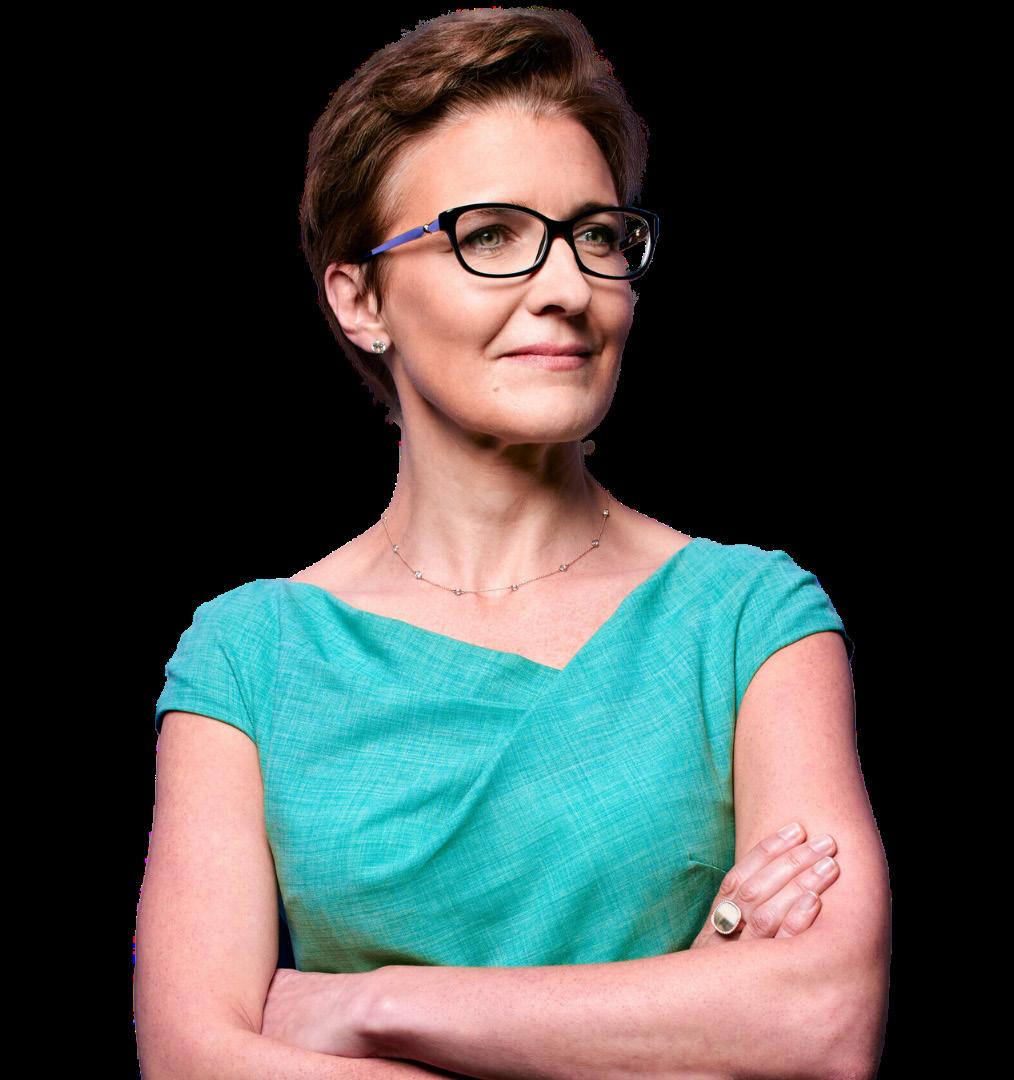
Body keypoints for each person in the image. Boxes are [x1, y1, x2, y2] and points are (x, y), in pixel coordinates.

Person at [135, 9, 888, 1079]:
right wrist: (686, 1010)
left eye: (597, 236)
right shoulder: (251, 658)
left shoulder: (748, 620)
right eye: (489, 235)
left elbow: (820, 1020)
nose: (568, 290)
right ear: (360, 299)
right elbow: (195, 1061)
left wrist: (373, 1006)